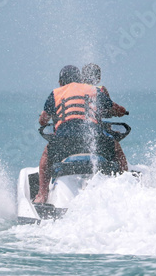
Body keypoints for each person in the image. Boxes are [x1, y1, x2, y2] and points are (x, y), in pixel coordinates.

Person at [33, 65, 118, 204]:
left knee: (46, 156)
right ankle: (126, 184)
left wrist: (44, 120)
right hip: (92, 140)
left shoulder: (56, 93)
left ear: (60, 82)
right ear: (79, 79)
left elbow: (43, 120)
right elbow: (115, 108)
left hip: (64, 142)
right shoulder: (94, 90)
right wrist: (122, 111)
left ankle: (42, 194)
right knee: (116, 149)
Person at [81, 63, 129, 172]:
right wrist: (120, 112)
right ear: (98, 78)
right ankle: (124, 175)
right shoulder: (100, 89)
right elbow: (110, 109)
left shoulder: (74, 90)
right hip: (95, 128)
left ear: (82, 77)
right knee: (117, 149)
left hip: (75, 129)